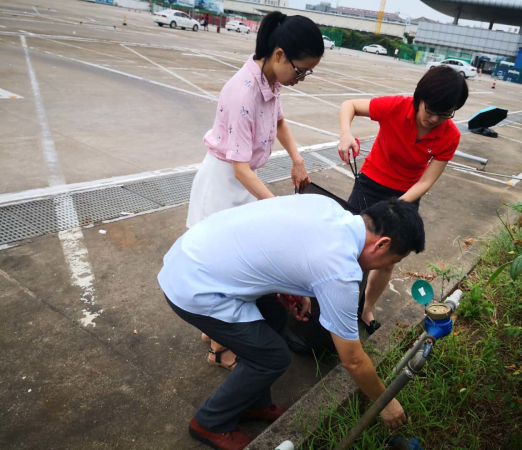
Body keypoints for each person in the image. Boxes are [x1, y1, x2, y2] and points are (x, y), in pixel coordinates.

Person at [158, 194, 426, 449]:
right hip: (193, 284)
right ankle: (210, 423)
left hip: (194, 250)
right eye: (392, 260)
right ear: (382, 244)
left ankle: (254, 403)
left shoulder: (327, 208)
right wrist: (386, 402)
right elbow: (353, 360)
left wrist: (293, 286)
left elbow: (279, 242)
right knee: (271, 358)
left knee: (275, 316)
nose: (383, 267)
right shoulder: (340, 271)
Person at [186, 11, 324, 370]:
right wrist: (277, 209)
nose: (301, 79)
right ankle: (219, 349)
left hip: (243, 182)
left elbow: (279, 121)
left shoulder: (270, 82)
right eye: (301, 71)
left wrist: (297, 159)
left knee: (232, 265)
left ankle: (211, 334)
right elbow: (239, 168)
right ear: (279, 55)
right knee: (225, 271)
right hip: (224, 185)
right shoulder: (242, 91)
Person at [337, 65, 468, 334]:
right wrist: (345, 133)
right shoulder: (396, 107)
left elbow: (426, 181)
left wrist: (397, 206)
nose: (434, 119)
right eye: (430, 110)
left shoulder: (450, 136)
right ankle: (338, 302)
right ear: (419, 98)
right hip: (370, 184)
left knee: (387, 258)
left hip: (407, 196)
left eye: (444, 114)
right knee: (351, 246)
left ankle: (366, 309)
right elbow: (349, 105)